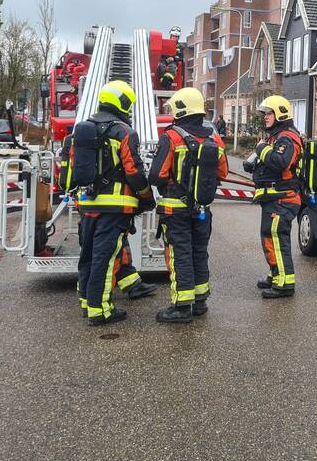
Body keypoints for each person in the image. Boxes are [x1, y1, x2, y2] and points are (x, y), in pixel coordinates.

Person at [75, 80, 155, 326]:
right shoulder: (124, 132)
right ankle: (100, 310)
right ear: (123, 103)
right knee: (105, 257)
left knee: (88, 254)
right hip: (115, 207)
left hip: (87, 203)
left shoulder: (84, 128)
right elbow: (134, 171)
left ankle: (87, 302)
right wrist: (146, 197)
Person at [148, 87, 228, 323]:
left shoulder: (171, 137)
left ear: (180, 109)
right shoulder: (214, 138)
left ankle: (182, 307)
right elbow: (222, 171)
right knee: (199, 252)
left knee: (179, 254)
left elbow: (156, 176)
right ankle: (200, 301)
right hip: (202, 209)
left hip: (175, 209)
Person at [243, 95, 303, 298]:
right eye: (265, 114)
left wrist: (261, 149)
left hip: (283, 199)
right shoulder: (276, 136)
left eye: (269, 113)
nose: (266, 117)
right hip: (273, 198)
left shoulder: (287, 137)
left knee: (277, 239)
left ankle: (284, 284)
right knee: (269, 236)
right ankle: (276, 274)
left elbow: (281, 162)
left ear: (280, 114)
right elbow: (270, 163)